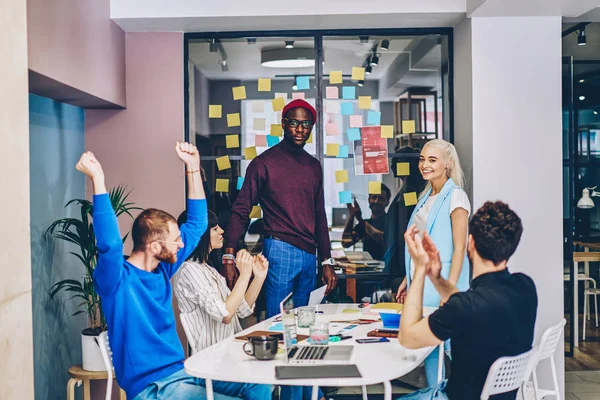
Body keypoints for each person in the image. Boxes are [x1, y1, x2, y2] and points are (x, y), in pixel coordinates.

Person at [80, 143, 270, 400]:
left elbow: (198, 223)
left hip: (183, 372)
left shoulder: (163, 268)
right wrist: (98, 180)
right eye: (176, 240)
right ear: (155, 246)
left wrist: (192, 166)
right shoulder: (117, 281)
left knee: (257, 386)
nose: (183, 244)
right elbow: (111, 244)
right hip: (152, 388)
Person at [223, 99, 334, 400]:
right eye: (294, 123)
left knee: (304, 331)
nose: (300, 129)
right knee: (279, 332)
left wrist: (327, 259)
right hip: (280, 250)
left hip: (308, 255)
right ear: (283, 124)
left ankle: (300, 397)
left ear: (311, 127)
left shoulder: (313, 166)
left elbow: (319, 214)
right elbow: (241, 209)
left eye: (306, 124)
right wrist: (229, 253)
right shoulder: (263, 163)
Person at [397, 201, 537, 400]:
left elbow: (407, 337)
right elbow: (467, 305)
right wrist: (436, 277)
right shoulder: (525, 287)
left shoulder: (465, 307)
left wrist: (419, 270)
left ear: (470, 243)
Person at [395, 139, 471, 385]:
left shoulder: (456, 197)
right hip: (423, 284)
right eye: (422, 159)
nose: (424, 165)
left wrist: (448, 289)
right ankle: (434, 391)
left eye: (432, 160)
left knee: (450, 346)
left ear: (448, 164)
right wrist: (409, 278)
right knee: (430, 345)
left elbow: (460, 248)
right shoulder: (426, 195)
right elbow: (421, 244)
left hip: (440, 285)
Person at [173, 210, 268, 354]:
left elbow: (240, 309)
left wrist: (258, 277)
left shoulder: (207, 269)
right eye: (215, 229)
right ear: (200, 235)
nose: (222, 231)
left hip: (229, 350)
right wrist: (244, 275)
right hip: (212, 357)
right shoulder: (188, 270)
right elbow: (225, 315)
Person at [384, 148, 426, 290]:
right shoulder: (405, 190)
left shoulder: (410, 194)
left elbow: (406, 226)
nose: (392, 164)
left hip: (404, 256)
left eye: (396, 160)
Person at [341, 184, 391, 260]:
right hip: (368, 270)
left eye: (381, 198)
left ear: (387, 202)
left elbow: (383, 239)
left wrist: (360, 219)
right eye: (374, 197)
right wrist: (352, 216)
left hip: (386, 270)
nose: (376, 201)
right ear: (368, 200)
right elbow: (345, 243)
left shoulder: (391, 221)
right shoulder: (365, 223)